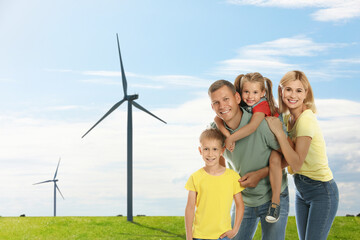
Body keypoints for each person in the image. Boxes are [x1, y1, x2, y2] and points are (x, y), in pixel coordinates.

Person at [208, 79, 289, 240]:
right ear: (212, 107)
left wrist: (260, 174)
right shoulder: (215, 131)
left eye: (226, 99)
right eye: (216, 102)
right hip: (243, 200)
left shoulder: (262, 125)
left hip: (272, 196)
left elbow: (288, 158)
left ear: (237, 98)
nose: (222, 106)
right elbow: (218, 164)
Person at [266, 70, 339, 240]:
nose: (293, 95)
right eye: (288, 89)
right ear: (281, 91)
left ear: (306, 93)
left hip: (322, 191)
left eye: (299, 90)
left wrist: (279, 133)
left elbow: (297, 163)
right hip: (301, 189)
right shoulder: (287, 119)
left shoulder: (306, 120)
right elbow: (286, 159)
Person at [185, 128, 245, 240]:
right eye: (206, 149)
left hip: (223, 236)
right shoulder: (195, 177)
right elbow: (189, 208)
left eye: (215, 149)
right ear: (200, 150)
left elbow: (240, 205)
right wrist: (189, 236)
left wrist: (235, 229)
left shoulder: (232, 177)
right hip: (199, 236)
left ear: (221, 151)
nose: (210, 154)